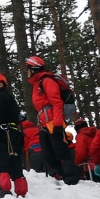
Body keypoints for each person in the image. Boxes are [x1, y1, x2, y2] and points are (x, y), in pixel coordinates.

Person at [25, 55, 79, 184]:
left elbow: (57, 102)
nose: (26, 71)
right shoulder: (37, 84)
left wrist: (58, 124)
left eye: (27, 68)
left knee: (61, 151)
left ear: (33, 68)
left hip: (53, 122)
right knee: (48, 153)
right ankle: (59, 176)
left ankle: (71, 179)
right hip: (44, 123)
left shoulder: (46, 81)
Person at [0, 72, 28, 198]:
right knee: (16, 165)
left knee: (0, 163)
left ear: (0, 84)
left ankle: (5, 191)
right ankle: (21, 192)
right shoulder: (10, 98)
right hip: (14, 135)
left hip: (2, 135)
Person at [74, 116, 100, 183]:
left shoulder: (81, 136)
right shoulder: (96, 133)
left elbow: (80, 153)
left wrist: (77, 163)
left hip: (90, 166)